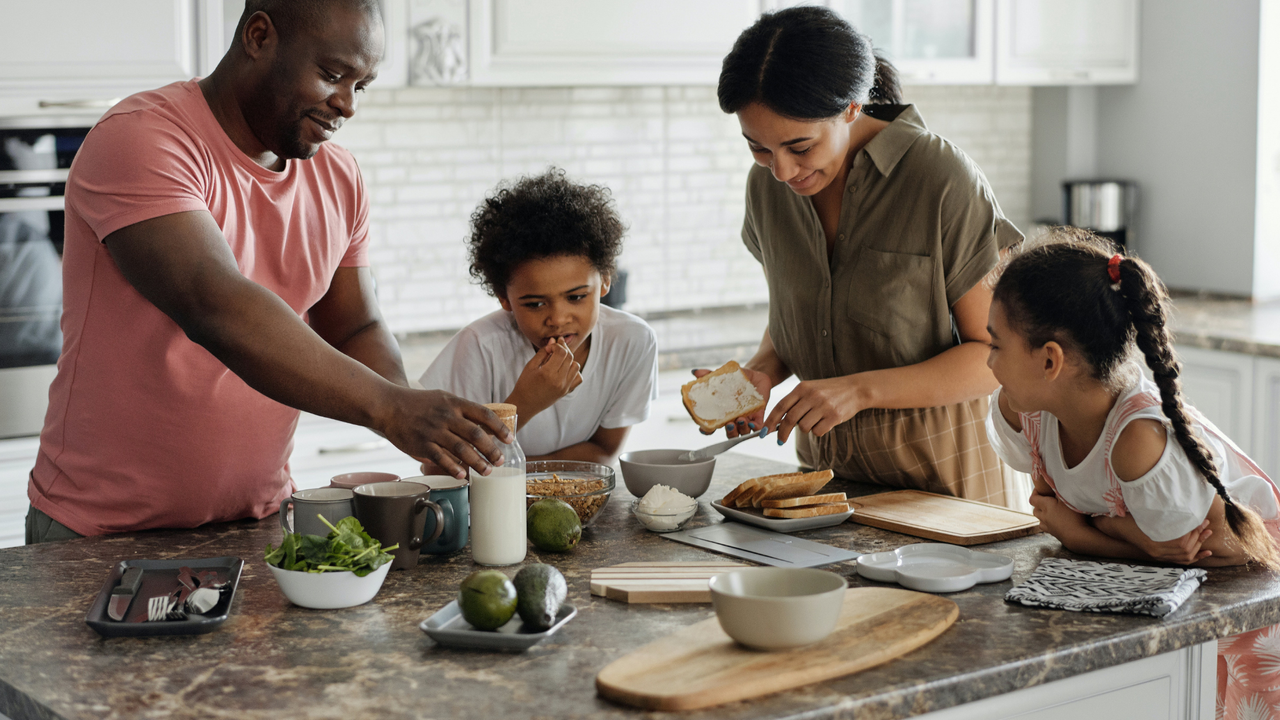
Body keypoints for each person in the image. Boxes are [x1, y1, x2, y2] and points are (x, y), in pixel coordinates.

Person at [25, 0, 511, 543]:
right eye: (332, 74)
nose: (347, 105)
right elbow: (215, 305)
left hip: (259, 521)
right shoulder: (142, 137)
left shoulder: (339, 176)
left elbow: (356, 327)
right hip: (101, 531)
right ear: (258, 36)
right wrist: (389, 408)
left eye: (362, 85)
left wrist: (418, 421)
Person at [709, 6, 1024, 506]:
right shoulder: (766, 189)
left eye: (800, 147)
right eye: (759, 149)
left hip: (949, 494)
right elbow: (805, 313)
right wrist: (763, 372)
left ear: (852, 107)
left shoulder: (939, 177)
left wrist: (858, 391)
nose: (783, 171)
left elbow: (996, 358)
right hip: (826, 491)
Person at [984, 229, 1280, 719]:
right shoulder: (1027, 411)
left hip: (1248, 602)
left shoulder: (1137, 441)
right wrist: (1131, 537)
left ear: (1050, 360)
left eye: (996, 346)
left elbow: (1215, 551)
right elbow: (1147, 545)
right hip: (1160, 594)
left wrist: (1086, 534)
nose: (988, 361)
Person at [419, 168, 658, 464]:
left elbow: (604, 451)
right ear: (503, 297)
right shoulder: (480, 347)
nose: (557, 319)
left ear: (606, 280)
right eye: (534, 304)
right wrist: (524, 403)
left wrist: (519, 473)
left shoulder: (632, 341)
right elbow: (437, 468)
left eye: (576, 297)